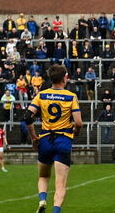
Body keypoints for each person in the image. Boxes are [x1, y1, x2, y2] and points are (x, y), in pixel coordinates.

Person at [25, 65, 83, 213]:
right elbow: (78, 122)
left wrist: (34, 138)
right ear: (65, 78)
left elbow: (27, 117)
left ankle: (42, 200)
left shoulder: (41, 95)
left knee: (43, 176)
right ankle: (56, 211)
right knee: (60, 184)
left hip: (45, 139)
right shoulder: (71, 96)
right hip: (63, 140)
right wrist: (76, 132)